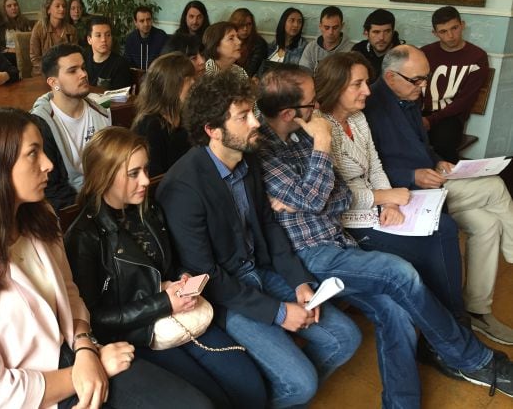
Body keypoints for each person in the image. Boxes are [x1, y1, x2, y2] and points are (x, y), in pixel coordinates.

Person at [256, 62, 513, 406]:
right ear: (290, 113)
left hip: (336, 241)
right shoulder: (268, 150)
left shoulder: (302, 136)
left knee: (397, 310)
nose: (317, 108)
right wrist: (321, 145)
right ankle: (474, 360)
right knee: (400, 272)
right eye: (312, 102)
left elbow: (337, 195)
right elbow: (320, 198)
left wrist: (313, 197)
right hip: (308, 254)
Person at [0, 106, 212, 409]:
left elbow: (70, 293)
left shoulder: (38, 218)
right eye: (33, 154)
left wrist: (85, 345)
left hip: (74, 355)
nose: (48, 164)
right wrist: (83, 371)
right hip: (28, 393)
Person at [156, 70, 361, 408]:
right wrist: (280, 313)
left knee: (345, 338)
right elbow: (206, 274)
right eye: (243, 116)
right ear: (212, 130)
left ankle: (275, 394)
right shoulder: (183, 187)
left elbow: (269, 226)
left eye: (252, 111)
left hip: (262, 273)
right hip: (225, 296)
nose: (255, 122)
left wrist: (298, 282)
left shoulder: (247, 157)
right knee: (302, 383)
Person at [65, 126, 268, 408]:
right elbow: (94, 319)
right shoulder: (84, 236)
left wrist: (183, 278)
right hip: (138, 335)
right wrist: (162, 303)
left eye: (146, 169)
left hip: (177, 313)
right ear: (105, 176)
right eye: (134, 173)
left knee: (251, 387)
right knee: (214, 400)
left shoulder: (148, 211)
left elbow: (168, 265)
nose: (146, 181)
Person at [366, 44, 513, 345]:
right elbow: (368, 167)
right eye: (417, 80)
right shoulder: (370, 105)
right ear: (392, 77)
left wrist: (435, 161)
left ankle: (477, 310)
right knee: (496, 187)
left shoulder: (406, 98)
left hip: (431, 184)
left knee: (488, 224)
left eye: (425, 78)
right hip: (406, 193)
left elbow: (421, 146)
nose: (423, 87)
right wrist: (411, 175)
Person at [314, 52, 465, 321]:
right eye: (357, 85)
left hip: (378, 207)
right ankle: (451, 321)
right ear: (335, 86)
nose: (367, 92)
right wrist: (384, 196)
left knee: (444, 227)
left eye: (366, 83)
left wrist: (391, 203)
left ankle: (451, 318)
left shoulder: (358, 119)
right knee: (434, 243)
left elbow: (375, 166)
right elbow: (332, 195)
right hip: (347, 221)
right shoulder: (322, 127)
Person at [31, 44, 111, 204]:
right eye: (72, 70)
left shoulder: (102, 108)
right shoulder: (40, 124)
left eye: (83, 68)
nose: (83, 74)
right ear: (54, 82)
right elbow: (51, 188)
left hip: (108, 194)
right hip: (73, 206)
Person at [421, 6, 490, 163]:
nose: (450, 36)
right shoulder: (425, 53)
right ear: (435, 33)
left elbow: (465, 100)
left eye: (454, 28)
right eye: (443, 32)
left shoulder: (477, 56)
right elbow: (413, 86)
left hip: (451, 116)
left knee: (443, 143)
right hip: (421, 112)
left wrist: (431, 120)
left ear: (462, 25)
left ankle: (446, 182)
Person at [131, 52, 194, 177]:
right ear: (171, 85)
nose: (193, 83)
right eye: (187, 79)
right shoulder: (150, 126)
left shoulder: (184, 115)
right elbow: (154, 177)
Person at [30, 0, 77, 76]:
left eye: (64, 6)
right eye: (57, 6)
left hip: (66, 72)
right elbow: (35, 58)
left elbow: (75, 55)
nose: (62, 9)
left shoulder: (71, 30)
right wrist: (52, 70)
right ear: (48, 10)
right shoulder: (39, 28)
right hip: (43, 73)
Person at [351, 8, 403, 80]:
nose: (381, 37)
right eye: (376, 32)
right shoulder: (358, 50)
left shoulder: (402, 54)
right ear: (366, 33)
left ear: (393, 32)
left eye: (387, 31)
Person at [298, 6, 353, 72]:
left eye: (335, 28)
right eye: (326, 27)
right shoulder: (311, 48)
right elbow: (304, 73)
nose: (330, 32)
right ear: (320, 26)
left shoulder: (350, 51)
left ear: (342, 26)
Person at [83, 16, 132, 90]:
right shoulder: (83, 60)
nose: (104, 39)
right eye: (98, 35)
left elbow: (120, 97)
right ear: (89, 40)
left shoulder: (120, 64)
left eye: (108, 35)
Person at [0, 0, 34, 66]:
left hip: (25, 53)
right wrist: (8, 50)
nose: (13, 8)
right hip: (8, 55)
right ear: (3, 9)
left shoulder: (25, 21)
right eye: (9, 6)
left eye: (15, 5)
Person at [262, 7, 308, 73]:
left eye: (299, 22)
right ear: (283, 22)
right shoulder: (272, 45)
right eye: (292, 20)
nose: (296, 25)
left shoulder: (304, 47)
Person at [124, 5, 167, 70]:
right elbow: (127, 63)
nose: (146, 24)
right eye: (142, 21)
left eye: (148, 20)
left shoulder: (161, 37)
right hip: (136, 77)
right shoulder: (130, 39)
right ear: (135, 23)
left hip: (156, 76)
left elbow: (165, 62)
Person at [229, 8, 268, 77]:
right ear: (234, 25)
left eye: (249, 24)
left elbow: (250, 72)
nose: (245, 29)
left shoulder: (259, 43)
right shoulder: (227, 41)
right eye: (241, 25)